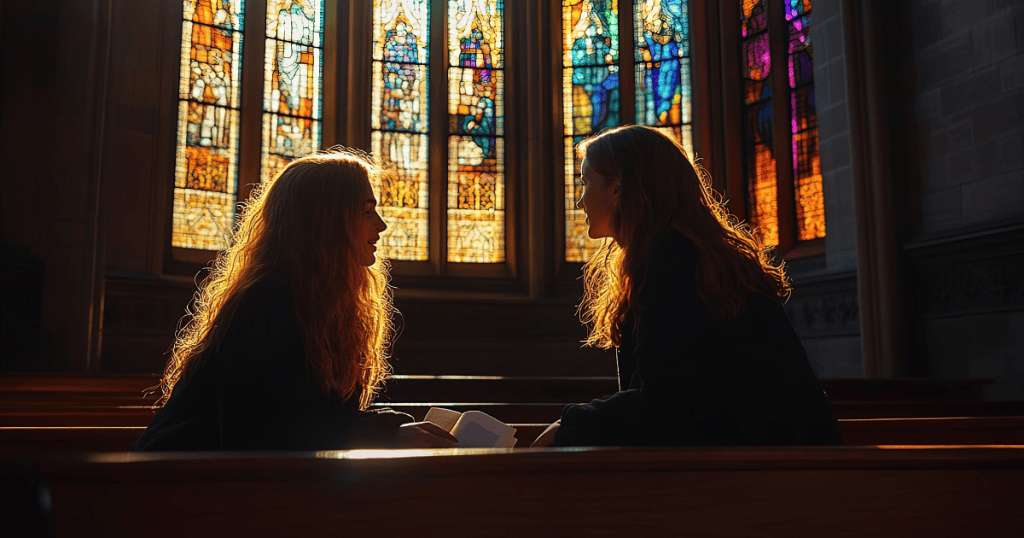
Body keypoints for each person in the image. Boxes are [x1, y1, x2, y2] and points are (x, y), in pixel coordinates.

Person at [532, 126, 841, 447]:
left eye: (584, 183)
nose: (580, 201)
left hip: (772, 469)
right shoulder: (687, 252)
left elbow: (664, 403)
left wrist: (568, 423)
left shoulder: (672, 258)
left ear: (617, 188)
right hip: (777, 456)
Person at [134, 150, 455, 451]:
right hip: (179, 485)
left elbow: (315, 421)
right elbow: (263, 437)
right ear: (324, 222)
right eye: (367, 211)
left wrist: (396, 427)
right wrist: (389, 432)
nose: (381, 225)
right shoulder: (266, 301)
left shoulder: (322, 304)